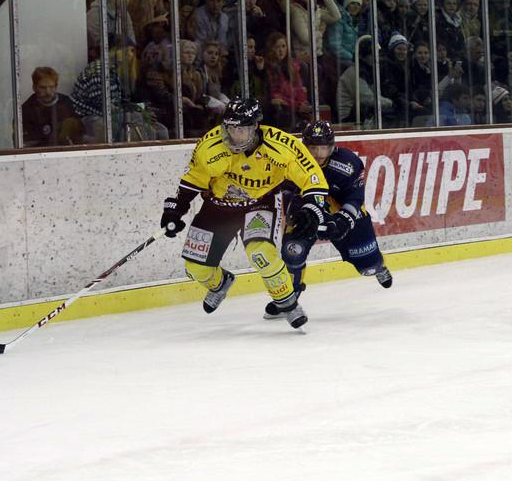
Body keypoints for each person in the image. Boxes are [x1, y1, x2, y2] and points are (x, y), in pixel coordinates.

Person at [159, 98, 329, 329]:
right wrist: (175, 208)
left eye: (241, 129)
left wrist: (313, 209)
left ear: (255, 127)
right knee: (195, 267)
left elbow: (312, 179)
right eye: (231, 128)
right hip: (219, 206)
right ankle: (220, 284)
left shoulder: (282, 146)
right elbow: (193, 179)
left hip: (260, 202)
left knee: (262, 254)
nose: (234, 135)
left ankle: (287, 303)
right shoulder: (210, 146)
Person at [264, 120, 392, 319]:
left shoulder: (348, 163)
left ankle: (379, 266)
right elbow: (289, 198)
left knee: (369, 266)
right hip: (308, 213)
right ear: (305, 147)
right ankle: (290, 295)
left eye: (323, 148)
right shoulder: (290, 163)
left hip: (341, 213)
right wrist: (297, 215)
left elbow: (355, 197)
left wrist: (343, 220)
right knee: (293, 251)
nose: (318, 154)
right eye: (313, 148)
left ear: (332, 146)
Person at [21, 67, 82, 147]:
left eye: (51, 87)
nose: (48, 92)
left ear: (56, 86)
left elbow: (79, 133)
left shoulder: (66, 103)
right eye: (43, 87)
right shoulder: (27, 109)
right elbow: (28, 143)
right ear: (34, 87)